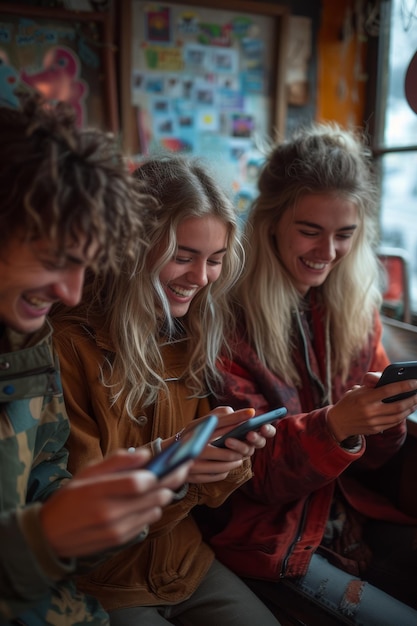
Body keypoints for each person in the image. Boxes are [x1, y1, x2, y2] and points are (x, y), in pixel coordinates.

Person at [198, 123, 417, 626]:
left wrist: (387, 419)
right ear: (271, 221)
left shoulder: (356, 310)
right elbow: (254, 476)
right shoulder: (227, 318)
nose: (329, 252)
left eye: (346, 234)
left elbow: (377, 463)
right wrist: (337, 426)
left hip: (351, 516)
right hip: (269, 536)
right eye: (310, 230)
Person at [51, 155, 281, 626]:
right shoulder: (69, 345)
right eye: (183, 256)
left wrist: (224, 456)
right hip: (102, 584)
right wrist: (174, 463)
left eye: (215, 261)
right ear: (133, 246)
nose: (200, 279)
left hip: (186, 565)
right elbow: (82, 515)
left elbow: (210, 496)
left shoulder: (190, 333)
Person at [0, 94, 192, 626]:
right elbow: (41, 536)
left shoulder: (26, 344)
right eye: (57, 260)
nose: (69, 292)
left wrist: (104, 506)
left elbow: (44, 477)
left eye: (86, 266)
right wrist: (45, 538)